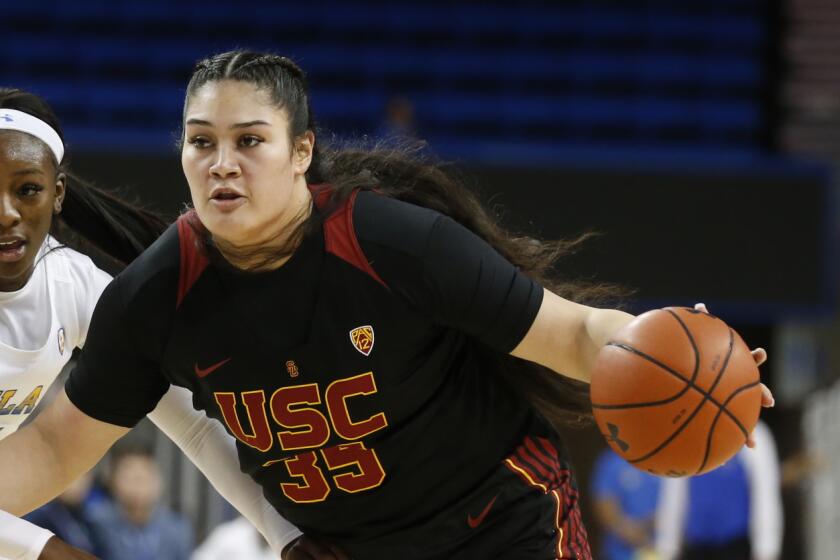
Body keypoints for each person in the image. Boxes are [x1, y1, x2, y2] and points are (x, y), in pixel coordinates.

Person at [0, 52, 771, 560]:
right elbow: (49, 453)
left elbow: (572, 332)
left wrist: (660, 344)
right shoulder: (154, 298)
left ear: (301, 152)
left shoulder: (392, 243)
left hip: (497, 527)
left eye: (250, 141)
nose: (221, 164)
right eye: (201, 142)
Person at [0, 88, 306, 560]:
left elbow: (196, 427)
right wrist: (45, 550)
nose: (6, 213)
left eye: (27, 190)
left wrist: (287, 536)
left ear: (57, 193)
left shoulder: (76, 287)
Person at [655, 421, 783, 560]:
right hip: (697, 546)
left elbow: (765, 495)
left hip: (736, 544)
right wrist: (666, 547)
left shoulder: (755, 433)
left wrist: (766, 549)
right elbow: (674, 495)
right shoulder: (686, 432)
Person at [87, 442, 193, 560]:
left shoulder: (177, 529)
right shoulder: (95, 523)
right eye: (130, 477)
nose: (138, 485)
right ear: (113, 481)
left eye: (145, 477)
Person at [591, 448, 661, 560]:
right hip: (620, 553)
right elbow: (603, 505)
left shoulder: (665, 462)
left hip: (664, 549)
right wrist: (627, 529)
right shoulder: (612, 461)